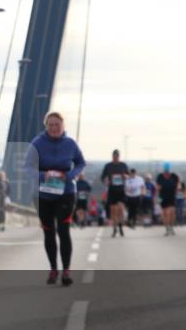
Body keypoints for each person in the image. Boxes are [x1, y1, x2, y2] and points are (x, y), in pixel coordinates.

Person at [27, 112, 86, 286]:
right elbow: (27, 166)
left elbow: (81, 163)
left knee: (63, 230)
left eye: (57, 125)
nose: (54, 128)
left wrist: (70, 176)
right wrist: (42, 175)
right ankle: (53, 269)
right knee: (48, 232)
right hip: (43, 195)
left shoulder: (70, 144)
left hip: (66, 193)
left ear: (63, 126)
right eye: (51, 125)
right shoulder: (37, 143)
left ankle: (66, 271)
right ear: (46, 126)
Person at [100, 150, 128, 235]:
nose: (115, 158)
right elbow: (102, 177)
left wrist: (124, 176)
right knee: (113, 211)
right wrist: (106, 182)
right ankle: (115, 228)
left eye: (117, 156)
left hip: (121, 190)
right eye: (114, 156)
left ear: (119, 156)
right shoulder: (108, 166)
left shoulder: (123, 165)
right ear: (112, 156)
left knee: (121, 210)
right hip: (112, 190)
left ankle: (120, 226)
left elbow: (128, 176)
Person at [155, 164, 180, 236]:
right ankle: (167, 228)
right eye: (165, 169)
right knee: (165, 213)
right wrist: (156, 195)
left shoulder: (174, 176)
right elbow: (157, 186)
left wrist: (178, 188)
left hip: (172, 196)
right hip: (163, 197)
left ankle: (171, 227)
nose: (166, 171)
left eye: (168, 169)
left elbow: (178, 183)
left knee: (171, 213)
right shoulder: (160, 176)